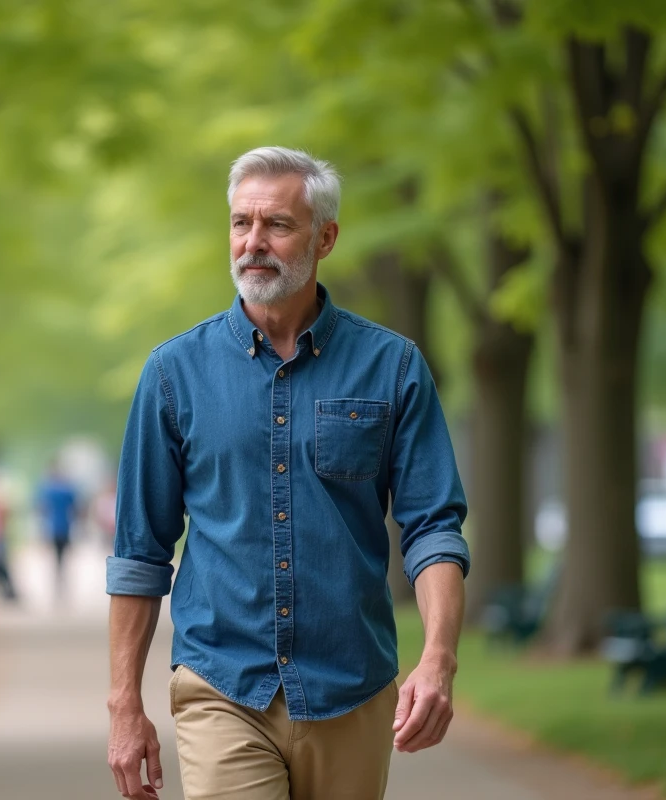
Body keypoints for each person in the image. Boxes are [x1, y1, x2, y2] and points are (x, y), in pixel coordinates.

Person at [105, 147, 469, 800]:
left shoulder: (393, 368)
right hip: (223, 683)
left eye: (277, 224)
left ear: (325, 237)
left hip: (351, 686)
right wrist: (124, 706)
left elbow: (433, 528)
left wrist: (438, 659)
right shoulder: (173, 375)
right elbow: (140, 552)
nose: (253, 242)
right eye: (240, 223)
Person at [36, 460, 80, 598]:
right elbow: (75, 509)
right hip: (65, 528)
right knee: (63, 558)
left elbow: (42, 509)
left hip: (52, 528)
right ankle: (62, 584)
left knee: (56, 558)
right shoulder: (68, 489)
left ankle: (57, 585)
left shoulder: (47, 489)